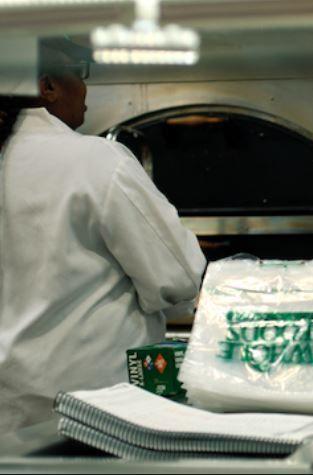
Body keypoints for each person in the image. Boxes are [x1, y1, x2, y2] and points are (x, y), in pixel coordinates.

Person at [0, 41, 207, 433]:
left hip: (8, 416)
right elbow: (178, 277)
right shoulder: (95, 160)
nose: (85, 88)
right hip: (93, 414)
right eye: (78, 73)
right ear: (48, 87)